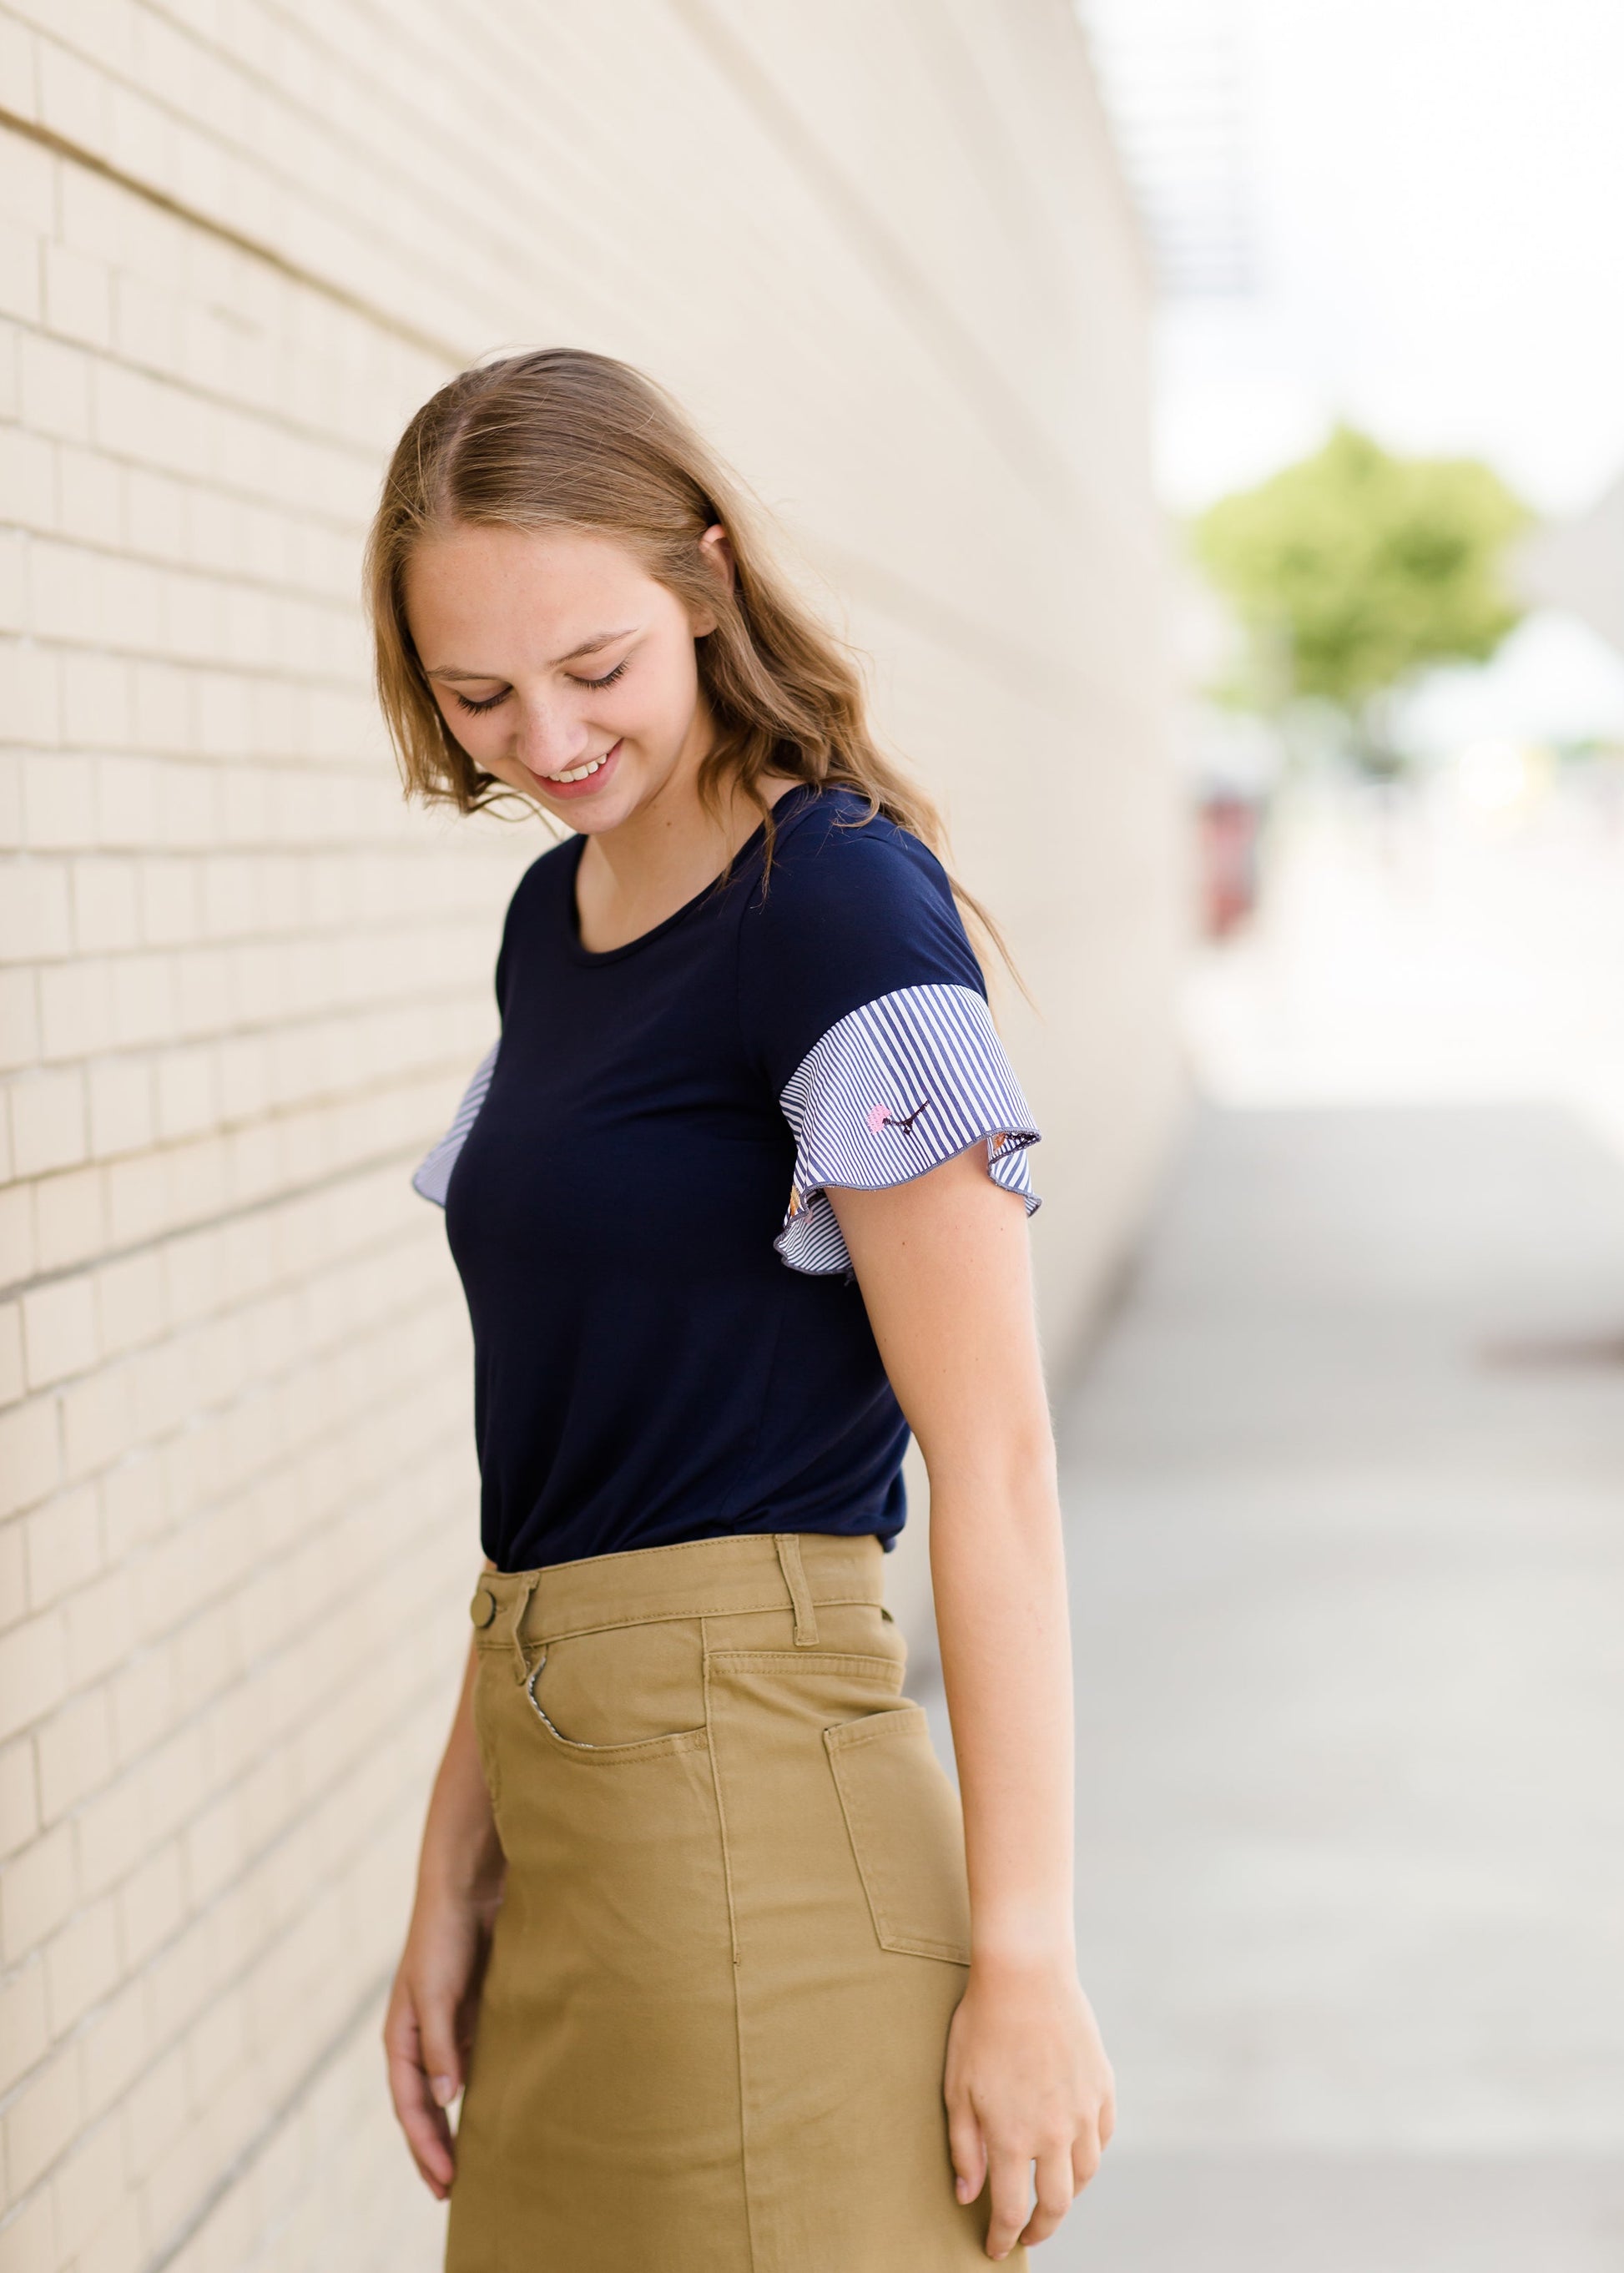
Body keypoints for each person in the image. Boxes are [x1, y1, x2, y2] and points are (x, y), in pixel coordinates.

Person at [368, 349, 1114, 2270]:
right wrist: (451, 1872)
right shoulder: (559, 920)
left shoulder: (835, 906)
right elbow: (568, 1437)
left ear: (704, 579)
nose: (545, 736)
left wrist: (1026, 1957)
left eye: (593, 666)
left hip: (757, 1827)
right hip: (563, 1808)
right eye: (478, 693)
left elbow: (1000, 1458)